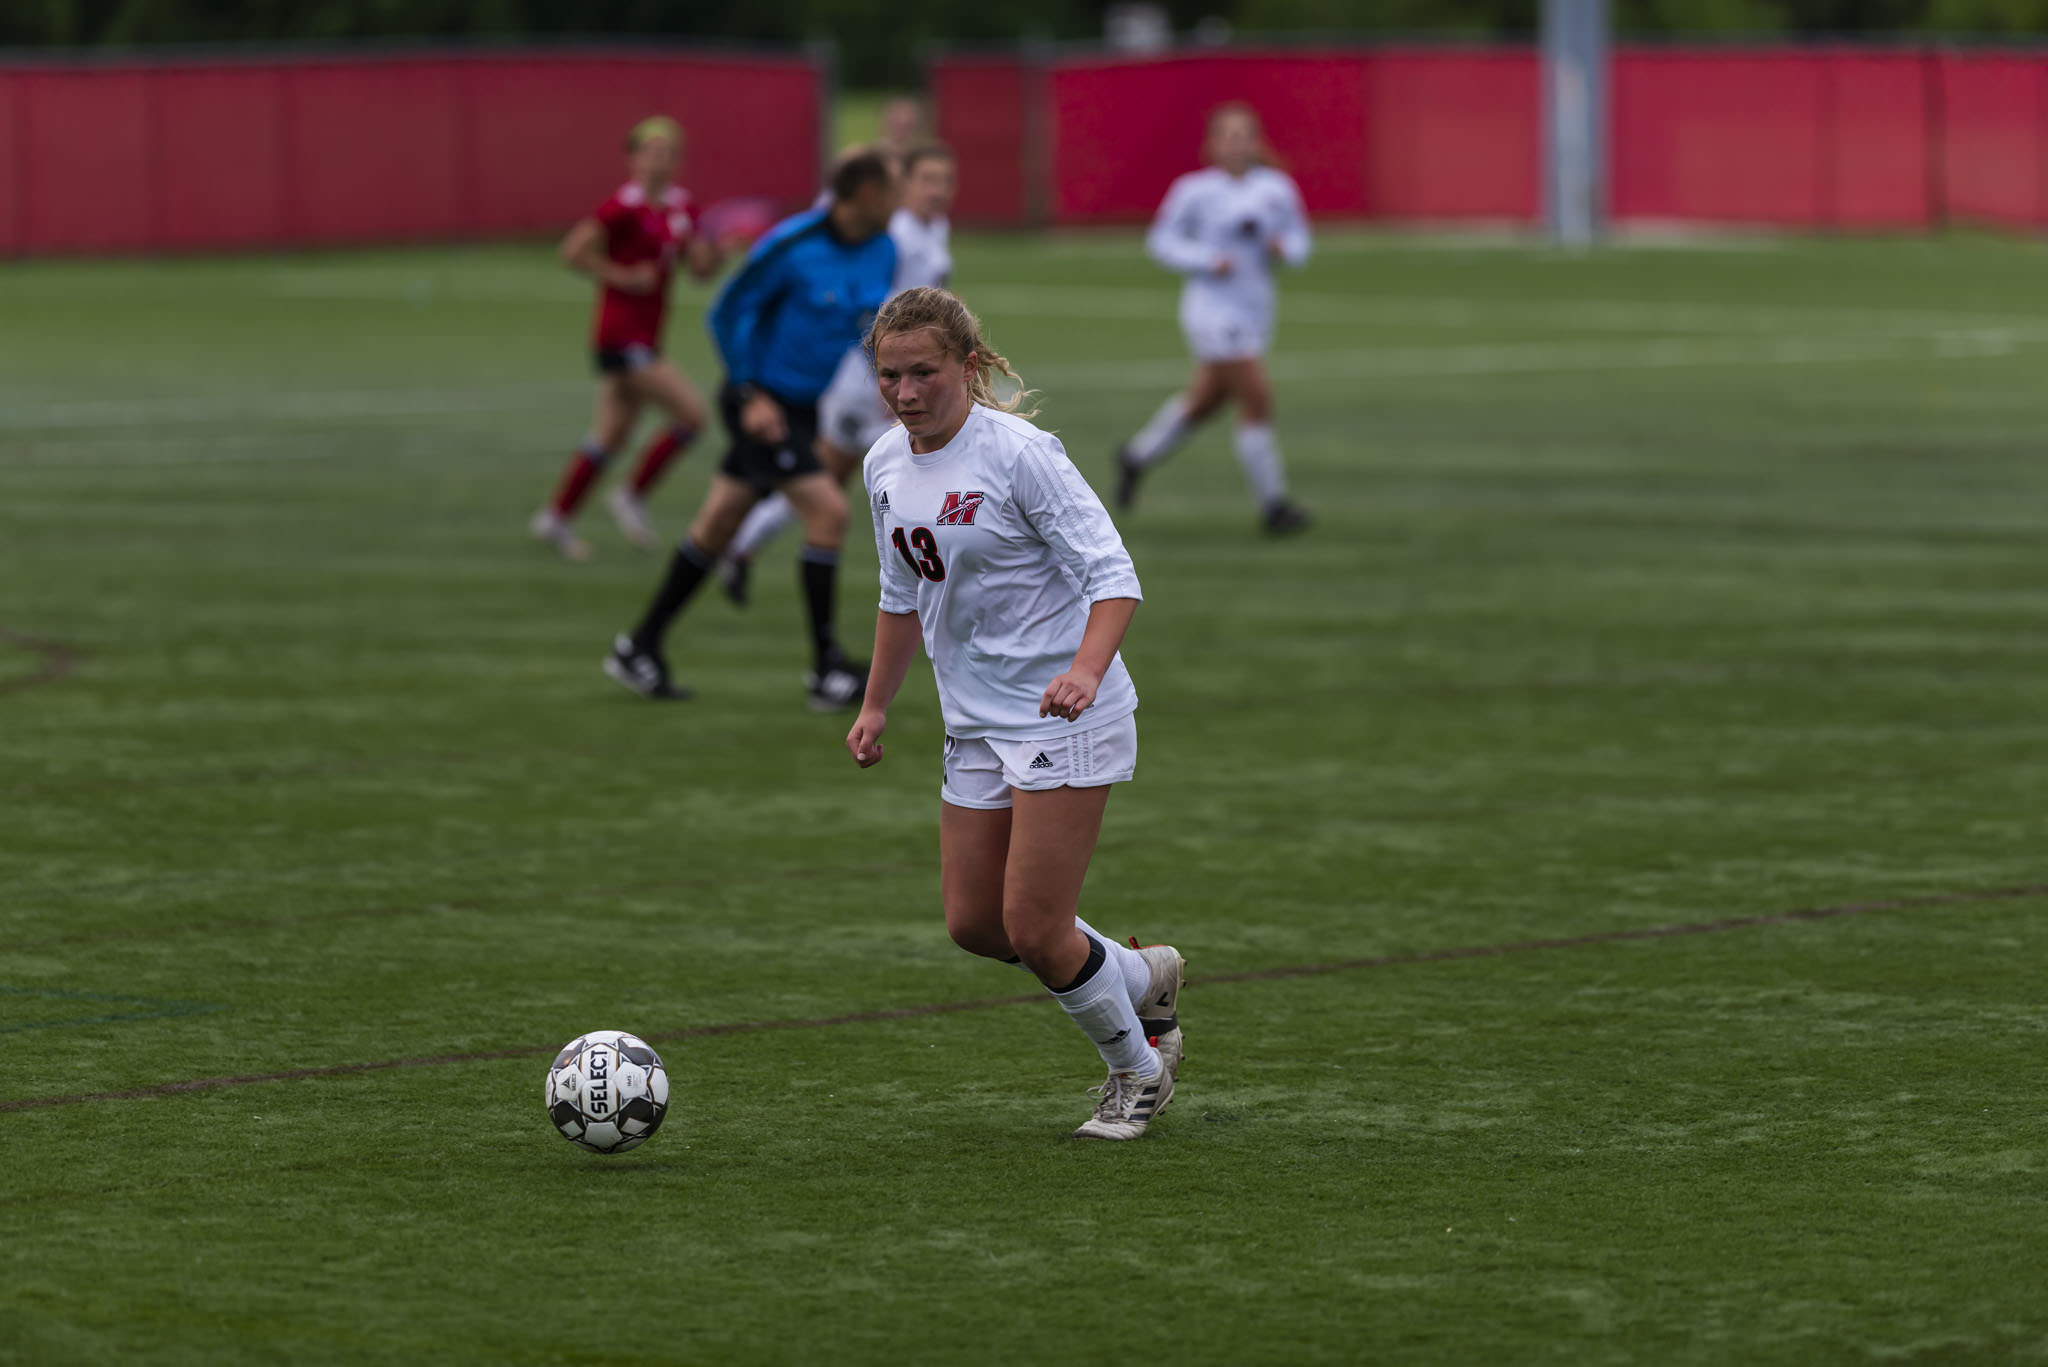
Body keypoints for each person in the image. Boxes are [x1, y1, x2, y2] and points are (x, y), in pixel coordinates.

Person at [846, 286, 1186, 1142]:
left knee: (1036, 928)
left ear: (967, 365)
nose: (906, 391)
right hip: (975, 723)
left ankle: (1137, 1071)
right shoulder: (884, 463)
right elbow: (901, 591)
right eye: (889, 375)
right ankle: (1142, 975)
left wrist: (1083, 668)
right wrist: (876, 703)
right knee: (976, 924)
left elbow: (1114, 576)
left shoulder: (1022, 455)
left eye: (923, 372)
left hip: (1065, 715)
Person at [604, 148, 900, 709]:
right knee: (827, 512)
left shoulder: (884, 249)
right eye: (891, 191)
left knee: (718, 523)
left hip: (804, 406)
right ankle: (825, 671)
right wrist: (748, 394)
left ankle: (638, 647)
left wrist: (887, 382)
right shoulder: (791, 246)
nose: (898, 203)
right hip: (759, 404)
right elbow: (724, 312)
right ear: (864, 195)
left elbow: (869, 325)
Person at [720, 144, 958, 606]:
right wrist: (886, 384)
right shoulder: (896, 236)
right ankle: (925, 584)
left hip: (900, 377)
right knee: (860, 483)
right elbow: (879, 315)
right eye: (926, 180)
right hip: (865, 384)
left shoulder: (933, 230)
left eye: (945, 181)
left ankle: (741, 544)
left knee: (829, 483)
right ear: (901, 187)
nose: (937, 191)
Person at [1113, 102, 1313, 535]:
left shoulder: (1276, 187)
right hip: (1211, 311)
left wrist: (1285, 250)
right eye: (1229, 135)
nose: (1238, 144)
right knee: (1257, 398)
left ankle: (1135, 458)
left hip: (1257, 310)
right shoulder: (1194, 190)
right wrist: (1206, 259)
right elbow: (1162, 241)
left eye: (1246, 135)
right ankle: (1274, 506)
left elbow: (1300, 240)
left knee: (1204, 404)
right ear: (1213, 144)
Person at [531, 116, 723, 561]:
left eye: (667, 154)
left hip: (647, 337)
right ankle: (631, 496)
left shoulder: (680, 208)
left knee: (610, 437)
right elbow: (573, 251)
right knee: (691, 416)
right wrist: (621, 276)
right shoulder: (622, 208)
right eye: (650, 153)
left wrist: (712, 258)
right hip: (620, 336)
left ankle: (555, 518)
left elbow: (696, 271)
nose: (659, 162)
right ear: (634, 158)